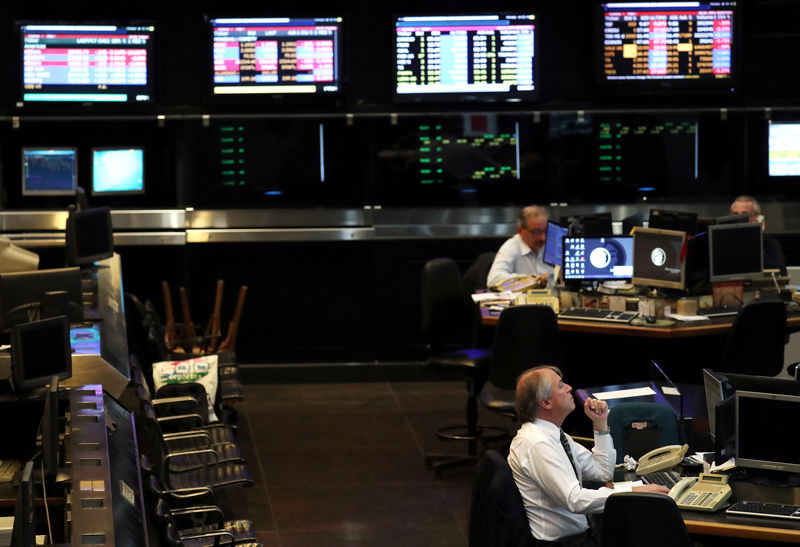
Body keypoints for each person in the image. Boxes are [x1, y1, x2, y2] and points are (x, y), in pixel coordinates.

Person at [508, 366, 669, 546]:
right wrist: (632, 493)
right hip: (564, 543)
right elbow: (574, 500)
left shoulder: (553, 434)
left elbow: (602, 472)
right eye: (560, 386)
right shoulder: (538, 444)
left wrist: (600, 423)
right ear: (546, 403)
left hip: (582, 533)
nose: (569, 387)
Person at [486, 205, 555, 289]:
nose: (543, 238)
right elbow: (493, 280)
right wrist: (534, 281)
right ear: (520, 230)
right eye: (536, 232)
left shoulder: (552, 243)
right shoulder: (511, 247)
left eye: (545, 231)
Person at [730, 195, 787, 275]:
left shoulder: (770, 243)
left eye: (744, 214)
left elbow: (781, 274)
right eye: (735, 214)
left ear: (756, 218)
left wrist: (756, 239)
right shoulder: (725, 242)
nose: (739, 219)